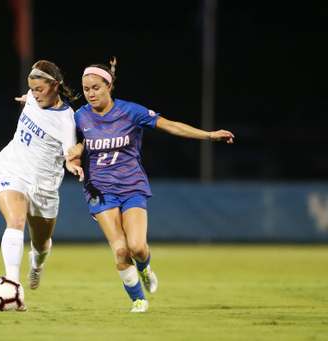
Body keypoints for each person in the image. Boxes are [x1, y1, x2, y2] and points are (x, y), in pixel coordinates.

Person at [67, 58, 234, 312]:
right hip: (99, 191)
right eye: (86, 88)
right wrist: (76, 152)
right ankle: (138, 300)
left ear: (109, 86)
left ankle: (144, 268)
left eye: (96, 88)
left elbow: (171, 126)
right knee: (121, 252)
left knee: (137, 247)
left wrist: (209, 135)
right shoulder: (81, 116)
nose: (90, 94)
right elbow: (79, 139)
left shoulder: (131, 111)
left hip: (132, 187)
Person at [0, 60, 84, 311]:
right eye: (31, 89)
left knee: (41, 245)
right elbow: (30, 98)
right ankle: (12, 285)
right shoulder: (34, 98)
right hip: (14, 170)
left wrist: (72, 163)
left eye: (39, 90)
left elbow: (69, 153)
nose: (34, 94)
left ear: (55, 85)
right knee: (16, 222)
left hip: (43, 187)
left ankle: (37, 265)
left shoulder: (67, 120)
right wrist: (28, 97)